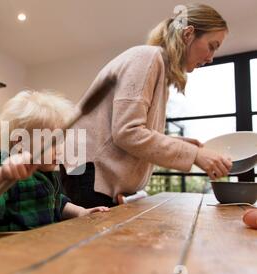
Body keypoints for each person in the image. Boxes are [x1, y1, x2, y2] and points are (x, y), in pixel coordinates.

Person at [61, 3, 232, 208]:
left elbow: (133, 131)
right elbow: (128, 133)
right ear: (188, 34)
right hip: (89, 172)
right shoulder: (149, 57)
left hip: (91, 174)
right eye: (212, 46)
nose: (211, 57)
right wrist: (194, 155)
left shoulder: (158, 68)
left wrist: (185, 146)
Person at [0, 90, 109, 232]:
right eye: (53, 142)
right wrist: (1, 176)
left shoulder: (45, 175)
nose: (60, 149)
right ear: (19, 142)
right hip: (8, 254)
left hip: (41, 248)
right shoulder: (5, 171)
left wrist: (80, 212)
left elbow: (57, 203)